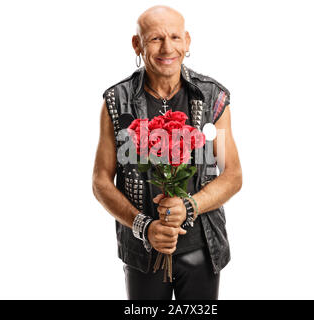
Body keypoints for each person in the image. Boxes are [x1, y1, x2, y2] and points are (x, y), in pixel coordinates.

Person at [92, 5, 242, 300]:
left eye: (175, 37)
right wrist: (144, 227)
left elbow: (233, 175)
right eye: (155, 39)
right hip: (143, 254)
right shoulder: (116, 100)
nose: (167, 47)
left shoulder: (212, 96)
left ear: (187, 41)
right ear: (137, 44)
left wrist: (189, 206)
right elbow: (100, 181)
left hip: (202, 249)